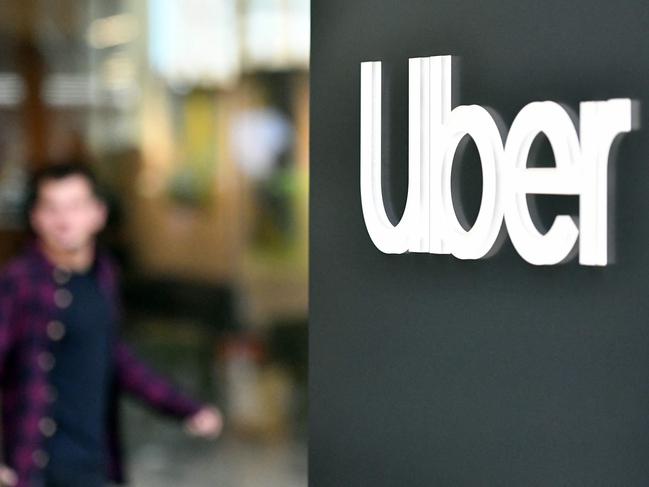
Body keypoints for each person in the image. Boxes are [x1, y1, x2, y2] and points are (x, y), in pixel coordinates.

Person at [0, 162, 223, 487]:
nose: (64, 220)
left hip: (95, 464)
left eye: (75, 206)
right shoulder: (19, 281)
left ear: (98, 214)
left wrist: (185, 407)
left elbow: (116, 358)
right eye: (52, 208)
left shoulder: (104, 274)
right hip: (38, 468)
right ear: (36, 218)